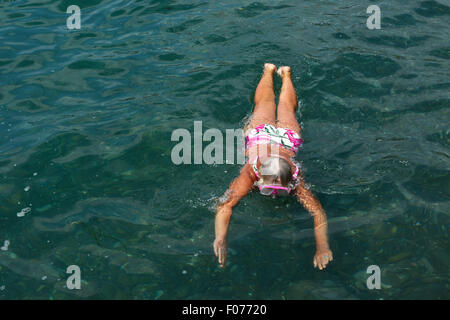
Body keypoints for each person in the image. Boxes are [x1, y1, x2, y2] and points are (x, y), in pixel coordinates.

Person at [213, 63, 333, 270]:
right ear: (259, 177)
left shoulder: (294, 180)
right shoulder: (250, 174)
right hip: (276, 137)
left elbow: (226, 205)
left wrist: (322, 247)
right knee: (277, 105)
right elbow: (317, 212)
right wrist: (220, 238)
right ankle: (278, 74)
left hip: (277, 137)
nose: (274, 195)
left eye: (277, 190)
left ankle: (276, 73)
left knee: (269, 104)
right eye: (270, 190)